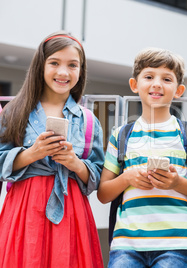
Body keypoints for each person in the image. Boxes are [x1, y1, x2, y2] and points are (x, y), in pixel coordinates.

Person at [97, 47, 187, 268]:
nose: (157, 84)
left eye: (166, 79)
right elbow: (103, 194)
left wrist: (177, 183)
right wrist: (127, 178)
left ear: (178, 90)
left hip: (179, 241)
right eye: (149, 77)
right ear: (134, 85)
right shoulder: (121, 135)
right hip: (126, 242)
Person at [0, 31, 104, 267]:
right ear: (40, 66)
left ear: (81, 70)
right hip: (25, 208)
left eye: (72, 65)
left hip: (72, 209)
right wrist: (31, 154)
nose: (63, 72)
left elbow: (98, 176)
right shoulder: (14, 112)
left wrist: (74, 163)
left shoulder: (89, 121)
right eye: (54, 63)